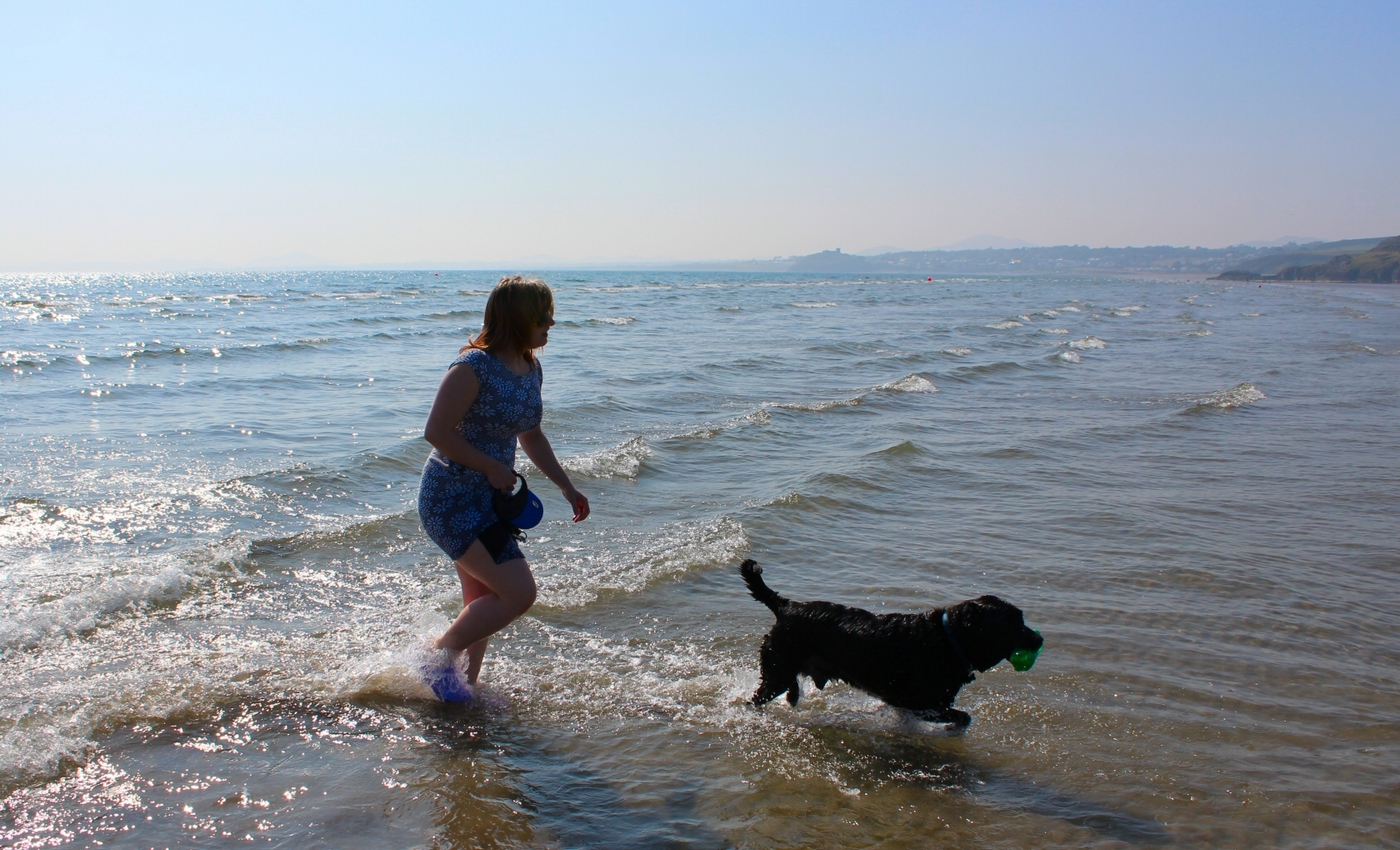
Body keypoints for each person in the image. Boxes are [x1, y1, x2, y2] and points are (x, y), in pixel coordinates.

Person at [417, 275, 589, 701]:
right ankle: (437, 658)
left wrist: (567, 487)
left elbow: (532, 435)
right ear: (517, 319)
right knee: (518, 593)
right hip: (449, 498)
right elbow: (436, 431)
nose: (551, 324)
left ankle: (463, 691)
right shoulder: (472, 367)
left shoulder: (532, 369)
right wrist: (491, 466)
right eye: (543, 317)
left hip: (491, 500)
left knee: (485, 598)